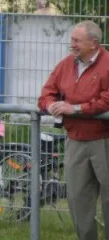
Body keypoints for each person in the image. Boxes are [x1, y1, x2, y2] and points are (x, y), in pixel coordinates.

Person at [38, 20, 109, 240]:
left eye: (77, 40)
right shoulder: (65, 65)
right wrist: (51, 105)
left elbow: (107, 100)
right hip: (75, 141)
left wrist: (75, 108)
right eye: (72, 39)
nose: (72, 44)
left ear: (94, 43)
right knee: (77, 199)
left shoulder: (108, 64)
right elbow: (46, 94)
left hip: (104, 140)